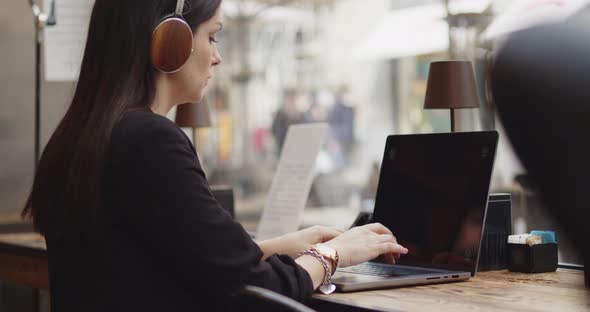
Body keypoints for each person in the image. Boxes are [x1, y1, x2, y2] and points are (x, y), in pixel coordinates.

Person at [22, 1, 408, 311]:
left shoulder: (79, 137)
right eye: (213, 37)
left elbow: (152, 259)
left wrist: (276, 246)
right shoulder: (148, 139)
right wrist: (333, 254)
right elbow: (253, 291)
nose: (217, 57)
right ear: (171, 39)